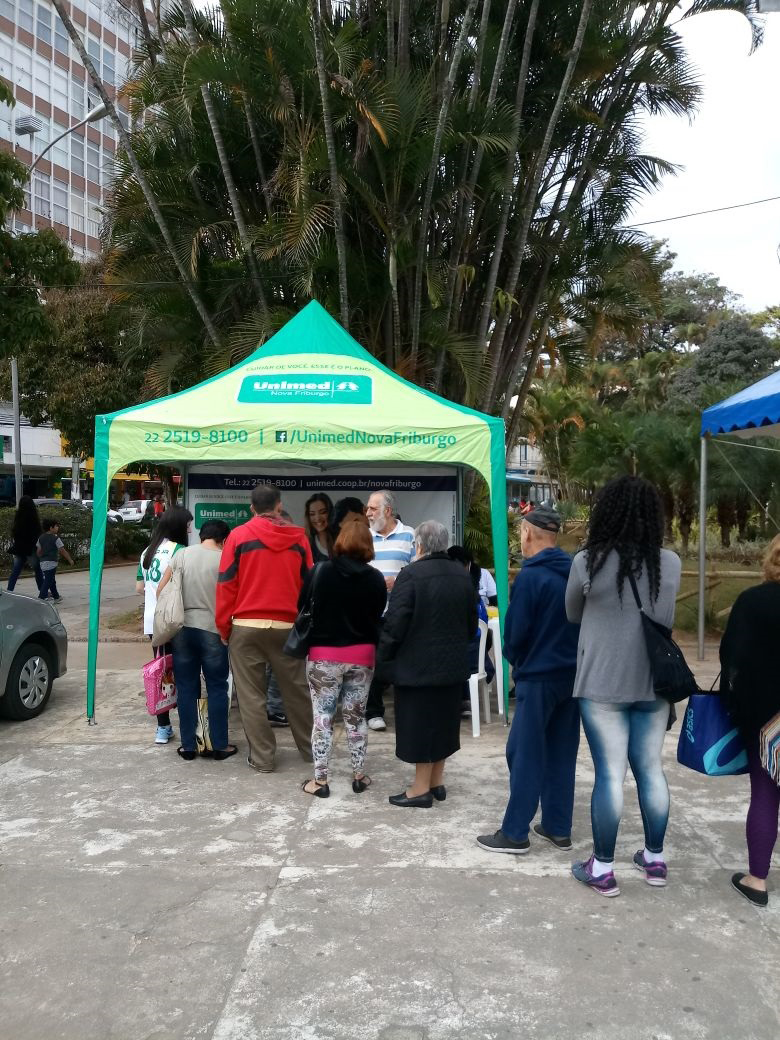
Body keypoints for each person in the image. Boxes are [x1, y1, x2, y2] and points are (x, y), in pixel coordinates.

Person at [565, 475, 681, 898]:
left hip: (601, 682)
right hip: (654, 682)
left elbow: (572, 614)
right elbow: (663, 618)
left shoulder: (587, 562)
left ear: (605, 513)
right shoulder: (670, 563)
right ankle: (654, 860)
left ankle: (603, 868)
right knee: (651, 769)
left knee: (609, 775)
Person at [476, 505, 580, 855]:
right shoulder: (575, 574)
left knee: (523, 752)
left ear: (527, 533)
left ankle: (515, 832)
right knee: (562, 752)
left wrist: (516, 663)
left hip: (538, 678)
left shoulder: (531, 577)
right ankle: (557, 827)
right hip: (572, 677)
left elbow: (515, 636)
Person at [376, 520, 476, 808]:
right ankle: (436, 782)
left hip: (417, 667)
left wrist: (383, 657)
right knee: (444, 724)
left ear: (418, 545)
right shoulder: (461, 574)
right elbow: (471, 626)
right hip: (452, 666)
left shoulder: (411, 575)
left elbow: (395, 624)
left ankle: (420, 789)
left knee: (419, 726)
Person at [216, 483, 314, 772]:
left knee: (251, 696)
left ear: (252, 508)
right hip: (287, 626)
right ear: (279, 506)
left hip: (245, 626)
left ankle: (263, 758)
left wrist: (224, 628)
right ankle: (312, 752)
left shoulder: (238, 536)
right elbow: (308, 585)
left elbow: (225, 585)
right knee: (297, 693)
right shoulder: (299, 539)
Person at [299, 519, 387, 797]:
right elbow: (378, 614)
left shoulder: (320, 571)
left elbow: (302, 605)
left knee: (323, 717)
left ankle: (320, 781)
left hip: (323, 656)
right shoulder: (375, 578)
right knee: (356, 716)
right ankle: (359, 776)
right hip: (362, 655)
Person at [719, 533, 780, 908]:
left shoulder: (752, 602)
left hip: (764, 718)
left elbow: (731, 658)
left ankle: (756, 880)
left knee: (765, 794)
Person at [157, 520, 236, 762]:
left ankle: (189, 746)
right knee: (217, 687)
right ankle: (219, 745)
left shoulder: (182, 555)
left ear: (202, 536)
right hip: (214, 630)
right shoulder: (225, 559)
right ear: (224, 540)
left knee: (187, 687)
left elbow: (161, 589)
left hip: (183, 630)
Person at [137, 505, 193, 744]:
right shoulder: (180, 551)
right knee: (182, 672)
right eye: (188, 525)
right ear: (179, 526)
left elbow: (139, 588)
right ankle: (189, 727)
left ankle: (163, 728)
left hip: (153, 622)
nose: (190, 529)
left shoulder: (146, 552)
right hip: (176, 620)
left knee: (161, 672)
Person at [364, 489, 416, 731]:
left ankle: (406, 710)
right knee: (373, 662)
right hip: (372, 613)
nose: (368, 513)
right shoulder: (364, 537)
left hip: (400, 612)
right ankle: (374, 712)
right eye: (367, 508)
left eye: (373, 508)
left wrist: (400, 581)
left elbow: (418, 571)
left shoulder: (409, 535)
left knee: (402, 662)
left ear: (387, 510)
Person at [7, 495, 43, 594]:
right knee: (37, 569)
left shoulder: (18, 516)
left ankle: (9, 590)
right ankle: (42, 590)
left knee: (16, 570)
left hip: (20, 547)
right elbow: (37, 532)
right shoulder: (33, 517)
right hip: (31, 548)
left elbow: (15, 531)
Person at [36, 519, 75, 601]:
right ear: (51, 528)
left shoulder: (41, 538)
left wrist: (41, 557)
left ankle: (56, 596)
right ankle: (41, 597)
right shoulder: (55, 538)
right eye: (56, 526)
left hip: (43, 562)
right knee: (48, 581)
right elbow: (62, 550)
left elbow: (38, 551)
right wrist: (70, 559)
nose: (58, 528)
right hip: (51, 563)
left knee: (51, 580)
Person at [304, 493, 335, 563]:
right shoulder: (306, 543)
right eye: (312, 514)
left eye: (323, 512)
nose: (317, 518)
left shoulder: (342, 540)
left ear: (330, 513)